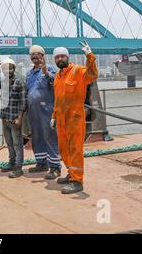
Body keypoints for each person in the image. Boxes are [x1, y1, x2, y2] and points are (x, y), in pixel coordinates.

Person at [51, 41, 98, 194]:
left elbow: (92, 75)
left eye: (62, 56)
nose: (60, 59)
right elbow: (57, 99)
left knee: (75, 149)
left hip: (75, 118)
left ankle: (77, 181)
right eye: (57, 57)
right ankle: (71, 174)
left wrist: (89, 56)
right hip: (61, 119)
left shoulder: (77, 71)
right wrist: (53, 116)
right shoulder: (57, 77)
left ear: (67, 57)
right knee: (64, 149)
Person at [26, 45, 62, 179]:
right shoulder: (29, 73)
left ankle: (55, 167)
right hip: (33, 112)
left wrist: (45, 71)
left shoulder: (50, 69)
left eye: (38, 54)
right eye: (32, 54)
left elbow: (54, 82)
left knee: (50, 137)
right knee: (37, 137)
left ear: (43, 56)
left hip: (46, 110)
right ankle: (41, 163)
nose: (35, 56)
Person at [0, 56, 26, 178]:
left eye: (10, 68)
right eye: (5, 68)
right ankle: (11, 163)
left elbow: (23, 101)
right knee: (9, 143)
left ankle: (18, 167)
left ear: (13, 69)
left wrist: (19, 118)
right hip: (5, 118)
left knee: (17, 144)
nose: (7, 71)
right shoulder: (3, 82)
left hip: (15, 119)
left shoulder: (19, 82)